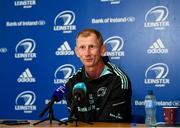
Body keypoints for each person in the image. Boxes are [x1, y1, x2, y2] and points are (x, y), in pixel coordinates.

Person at [65, 28, 132, 122]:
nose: (87, 53)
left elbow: (109, 124)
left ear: (102, 49)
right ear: (77, 52)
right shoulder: (72, 82)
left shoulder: (119, 80)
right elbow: (74, 122)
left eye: (92, 46)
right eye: (82, 47)